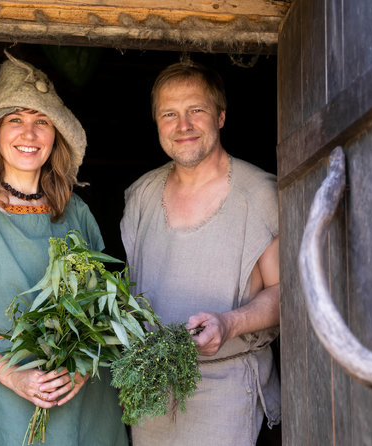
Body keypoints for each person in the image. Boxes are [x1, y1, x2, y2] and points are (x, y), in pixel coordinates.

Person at [0, 51, 128, 446]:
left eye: (41, 122)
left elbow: (105, 311)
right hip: (2, 394)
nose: (28, 135)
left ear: (54, 136)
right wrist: (14, 375)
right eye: (15, 120)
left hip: (81, 398)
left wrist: (83, 365)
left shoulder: (75, 211)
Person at [120, 60, 281, 445]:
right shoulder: (140, 195)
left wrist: (229, 324)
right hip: (151, 388)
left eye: (197, 111)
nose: (183, 126)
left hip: (227, 390)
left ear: (221, 116)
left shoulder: (259, 194)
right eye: (169, 114)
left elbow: (288, 294)